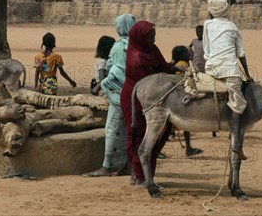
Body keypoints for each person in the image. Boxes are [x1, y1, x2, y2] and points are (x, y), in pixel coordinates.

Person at [120, 21, 186, 187]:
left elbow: (162, 67)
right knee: (138, 134)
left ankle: (141, 175)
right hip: (138, 97)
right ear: (141, 38)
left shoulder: (150, 49)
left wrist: (175, 68)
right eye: (150, 37)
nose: (153, 40)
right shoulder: (136, 59)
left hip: (153, 94)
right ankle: (140, 176)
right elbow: (151, 80)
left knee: (157, 133)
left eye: (154, 36)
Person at [83, 14, 136, 177]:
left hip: (118, 95)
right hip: (134, 93)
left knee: (112, 130)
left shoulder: (119, 46)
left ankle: (107, 167)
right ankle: (128, 165)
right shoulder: (137, 45)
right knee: (128, 130)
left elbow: (115, 73)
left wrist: (101, 85)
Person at [203, 0, 253, 160]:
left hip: (211, 68)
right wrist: (247, 74)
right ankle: (236, 144)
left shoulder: (207, 24)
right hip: (230, 70)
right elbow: (241, 53)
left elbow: (207, 50)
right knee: (238, 103)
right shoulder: (233, 26)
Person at [171, 45, 203, 157]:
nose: (189, 55)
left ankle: (188, 147)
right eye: (186, 53)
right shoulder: (182, 65)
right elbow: (182, 81)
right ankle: (188, 148)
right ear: (181, 55)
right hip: (180, 98)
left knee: (184, 126)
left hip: (176, 97)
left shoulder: (176, 65)